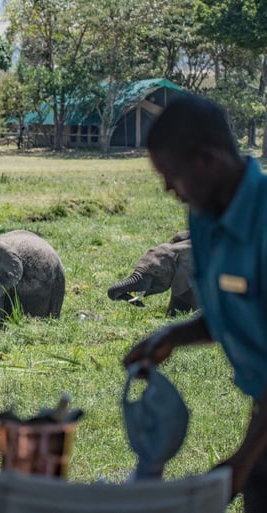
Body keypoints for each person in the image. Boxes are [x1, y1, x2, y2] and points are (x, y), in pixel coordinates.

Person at [123, 94, 267, 511]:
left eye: (172, 175)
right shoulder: (204, 218)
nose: (169, 188)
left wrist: (239, 465)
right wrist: (172, 336)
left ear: (208, 160)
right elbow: (238, 308)